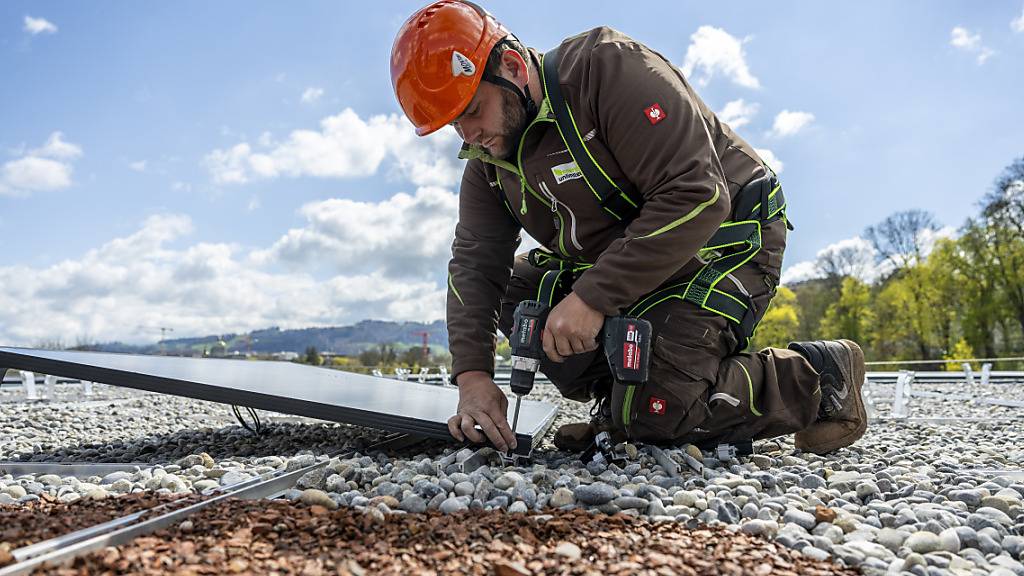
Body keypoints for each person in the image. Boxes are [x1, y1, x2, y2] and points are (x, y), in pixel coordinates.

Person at [390, 0, 867, 457]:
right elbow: (475, 262)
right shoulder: (490, 156)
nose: (468, 136)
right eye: (454, 125)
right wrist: (472, 376)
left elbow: (697, 194)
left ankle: (818, 377)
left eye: (472, 111)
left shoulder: (607, 69)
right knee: (520, 298)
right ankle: (621, 405)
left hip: (724, 234)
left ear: (512, 67)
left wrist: (592, 299)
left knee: (661, 415)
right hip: (626, 256)